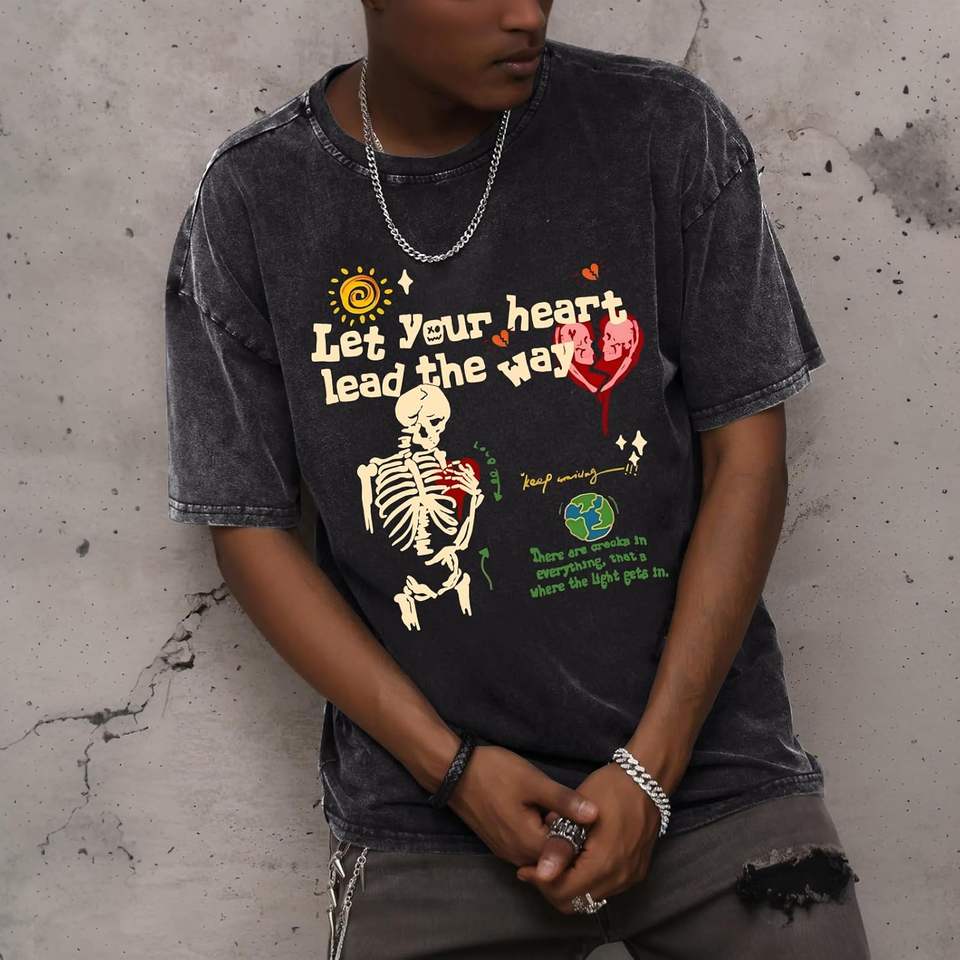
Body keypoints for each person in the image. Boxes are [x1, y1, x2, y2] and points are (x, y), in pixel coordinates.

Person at [164, 2, 872, 958]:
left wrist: (653, 768)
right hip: (430, 819)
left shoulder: (663, 130)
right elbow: (249, 526)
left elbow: (746, 455)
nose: (525, 13)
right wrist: (452, 771)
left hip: (714, 777)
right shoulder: (256, 198)